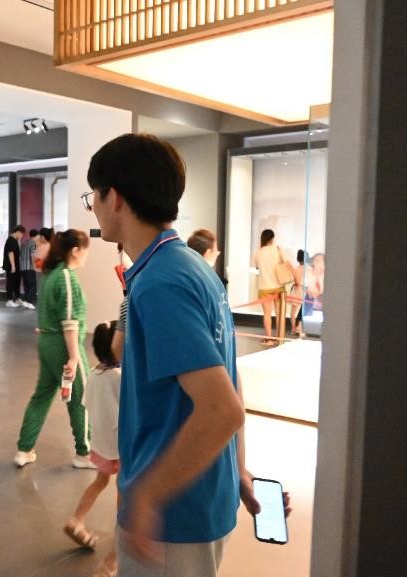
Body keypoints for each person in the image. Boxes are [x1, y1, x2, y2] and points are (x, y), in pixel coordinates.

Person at [86, 134, 287, 577]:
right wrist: (239, 469)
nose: (93, 208)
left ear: (114, 198)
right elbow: (230, 378)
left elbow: (221, 409)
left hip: (172, 519)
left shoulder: (159, 283)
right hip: (206, 494)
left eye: (92, 197)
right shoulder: (194, 268)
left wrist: (148, 496)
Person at [14, 229, 94, 469]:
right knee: (80, 398)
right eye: (86, 251)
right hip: (63, 345)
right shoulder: (66, 277)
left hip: (47, 343)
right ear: (76, 250)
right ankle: (84, 453)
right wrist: (73, 357)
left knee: (42, 396)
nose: (87, 256)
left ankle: (24, 449)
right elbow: (70, 321)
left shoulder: (50, 275)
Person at [64, 321, 122, 577]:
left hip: (100, 444)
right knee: (126, 497)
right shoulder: (120, 377)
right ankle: (113, 560)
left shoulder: (94, 374)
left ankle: (76, 519)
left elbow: (87, 403)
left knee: (100, 481)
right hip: (121, 447)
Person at [253, 229, 286, 345]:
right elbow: (285, 263)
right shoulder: (278, 250)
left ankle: (269, 339)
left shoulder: (258, 253)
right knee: (279, 314)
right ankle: (279, 338)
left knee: (267, 314)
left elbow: (257, 267)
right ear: (272, 238)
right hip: (279, 286)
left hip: (264, 287)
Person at [3, 225, 25, 307]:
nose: (22, 236)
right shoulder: (11, 240)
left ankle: (17, 298)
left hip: (15, 265)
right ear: (18, 232)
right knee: (10, 282)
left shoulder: (15, 240)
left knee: (16, 281)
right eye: (22, 234)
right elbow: (10, 253)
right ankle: (9, 300)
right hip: (11, 266)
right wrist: (13, 266)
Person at [20, 229, 39, 309]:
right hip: (29, 267)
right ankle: (29, 302)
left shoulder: (25, 243)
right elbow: (33, 255)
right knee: (33, 285)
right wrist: (34, 266)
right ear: (36, 236)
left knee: (27, 285)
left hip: (23, 268)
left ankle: (26, 301)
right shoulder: (33, 243)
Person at [289, 249, 306, 335]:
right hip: (303, 292)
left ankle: (293, 329)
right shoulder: (307, 269)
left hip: (295, 291)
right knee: (302, 312)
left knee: (293, 312)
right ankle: (300, 328)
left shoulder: (295, 269)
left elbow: (294, 281)